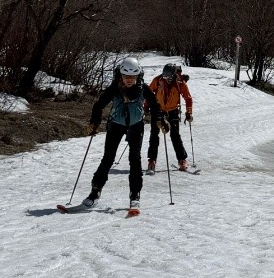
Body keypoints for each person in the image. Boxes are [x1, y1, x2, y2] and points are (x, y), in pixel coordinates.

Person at [83, 55, 162, 212]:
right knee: (108, 158)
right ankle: (95, 192)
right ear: (121, 75)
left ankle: (135, 195)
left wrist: (160, 120)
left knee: (135, 159)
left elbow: (155, 105)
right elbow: (99, 105)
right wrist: (94, 122)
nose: (129, 80)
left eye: (132, 77)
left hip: (136, 126)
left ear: (137, 76)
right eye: (126, 76)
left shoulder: (143, 88)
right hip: (116, 125)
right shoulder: (114, 88)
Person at [147, 61, 193, 173]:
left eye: (169, 76)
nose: (166, 78)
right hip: (158, 110)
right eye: (165, 76)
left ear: (174, 75)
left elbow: (188, 98)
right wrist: (145, 108)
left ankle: (182, 159)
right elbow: (148, 94)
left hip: (173, 111)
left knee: (175, 135)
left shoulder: (180, 83)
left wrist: (189, 112)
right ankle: (152, 160)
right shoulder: (157, 80)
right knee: (154, 134)